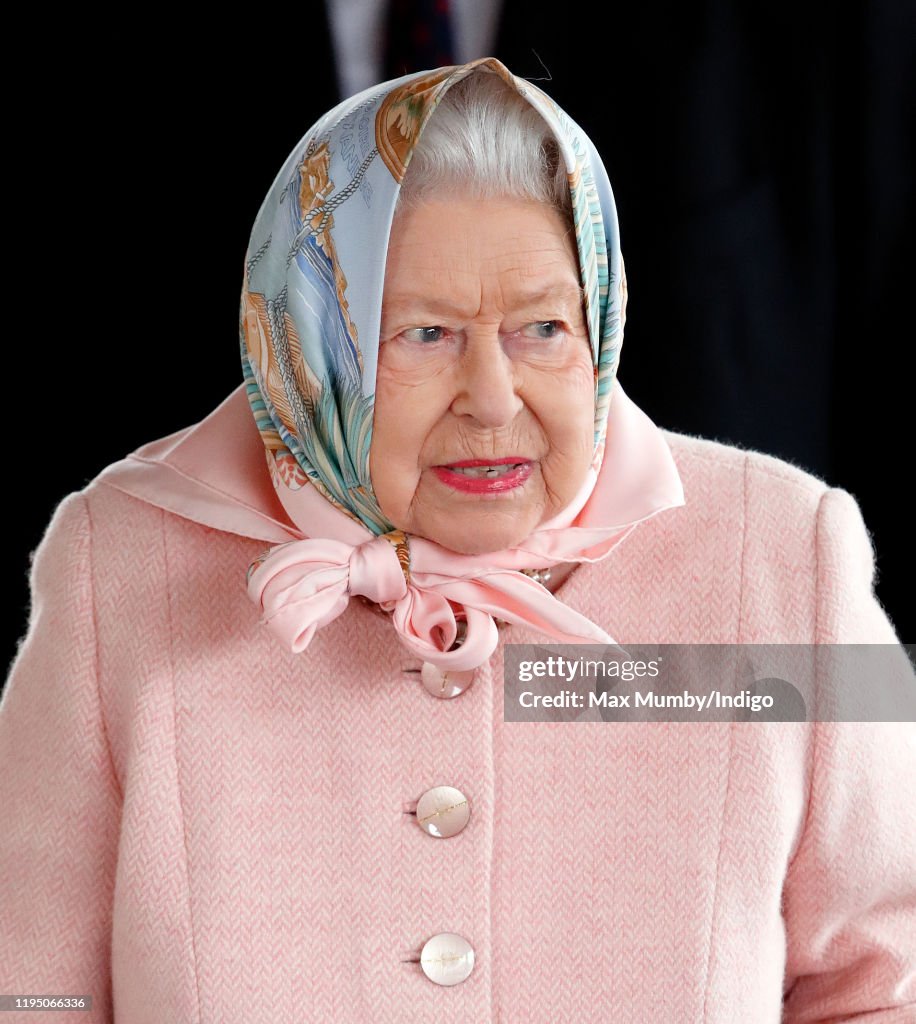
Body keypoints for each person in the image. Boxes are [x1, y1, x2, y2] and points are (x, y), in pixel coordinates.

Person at [1, 58, 913, 1023]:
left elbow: (888, 985)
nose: (491, 397)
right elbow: (29, 990)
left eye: (543, 328)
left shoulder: (794, 554)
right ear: (316, 343)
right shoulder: (115, 562)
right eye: (425, 334)